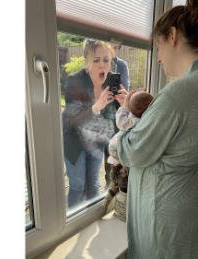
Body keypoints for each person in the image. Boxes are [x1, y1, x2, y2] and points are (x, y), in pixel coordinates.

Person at [116, 0, 198, 257]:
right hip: (194, 194)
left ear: (172, 36)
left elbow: (132, 152)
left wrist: (128, 118)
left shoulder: (177, 93)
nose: (158, 59)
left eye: (158, 47)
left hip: (166, 207)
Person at [62, 39, 128, 209]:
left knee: (92, 184)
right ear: (87, 61)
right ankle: (74, 225)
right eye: (96, 60)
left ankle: (92, 218)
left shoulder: (111, 83)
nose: (102, 66)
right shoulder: (73, 81)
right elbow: (71, 121)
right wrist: (96, 107)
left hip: (96, 141)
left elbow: (119, 117)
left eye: (106, 60)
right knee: (78, 186)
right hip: (74, 141)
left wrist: (126, 102)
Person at [103, 90, 153, 214]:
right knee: (121, 174)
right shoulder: (144, 120)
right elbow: (137, 109)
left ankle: (112, 188)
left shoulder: (134, 121)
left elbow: (121, 122)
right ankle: (114, 186)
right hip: (124, 153)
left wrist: (124, 106)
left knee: (118, 174)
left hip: (116, 150)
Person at [103, 42, 132, 188]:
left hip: (117, 117)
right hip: (100, 116)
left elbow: (124, 90)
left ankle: (116, 187)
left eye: (116, 46)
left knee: (115, 156)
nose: (113, 49)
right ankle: (109, 187)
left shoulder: (121, 65)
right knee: (106, 156)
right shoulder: (97, 63)